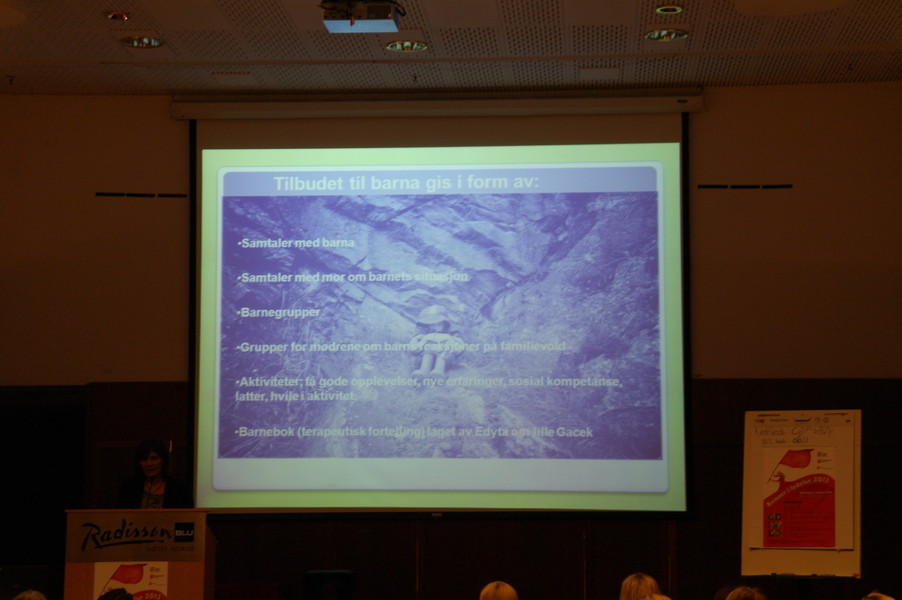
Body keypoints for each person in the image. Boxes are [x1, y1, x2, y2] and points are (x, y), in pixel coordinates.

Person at [117, 438, 192, 509]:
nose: (149, 464)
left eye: (154, 458)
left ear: (163, 460)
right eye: (144, 459)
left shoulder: (180, 489)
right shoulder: (129, 487)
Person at [408, 304, 465, 377]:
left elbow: (459, 350)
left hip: (446, 361)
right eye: (432, 324)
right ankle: (424, 371)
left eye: (438, 324)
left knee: (445, 346)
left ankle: (438, 371)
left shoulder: (453, 333)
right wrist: (423, 341)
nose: (435, 327)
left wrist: (450, 340)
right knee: (429, 345)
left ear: (445, 322)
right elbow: (414, 349)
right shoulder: (423, 334)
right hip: (423, 359)